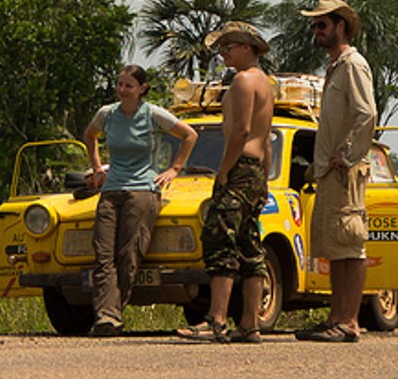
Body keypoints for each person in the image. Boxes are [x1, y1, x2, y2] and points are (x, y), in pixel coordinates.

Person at [176, 22, 274, 344]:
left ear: (248, 47)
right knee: (249, 246)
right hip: (256, 171)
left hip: (239, 168)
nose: (224, 53)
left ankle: (216, 319)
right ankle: (250, 323)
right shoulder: (265, 83)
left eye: (229, 47)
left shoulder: (245, 81)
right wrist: (265, 181)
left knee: (221, 239)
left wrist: (224, 171)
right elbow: (267, 140)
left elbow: (242, 131)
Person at [82, 65, 198, 338]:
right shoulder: (107, 114)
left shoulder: (153, 114)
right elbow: (90, 135)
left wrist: (173, 169)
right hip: (111, 189)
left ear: (141, 89)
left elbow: (190, 135)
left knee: (129, 253)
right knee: (103, 253)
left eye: (129, 86)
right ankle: (106, 316)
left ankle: (112, 313)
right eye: (120, 84)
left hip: (143, 190)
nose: (123, 90)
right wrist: (97, 168)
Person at [297, 0, 376, 343]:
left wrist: (346, 155)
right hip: (330, 172)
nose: (317, 31)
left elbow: (367, 114)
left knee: (350, 241)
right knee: (336, 247)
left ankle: (349, 320)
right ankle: (337, 317)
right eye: (315, 25)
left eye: (322, 25)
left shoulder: (354, 65)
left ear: (340, 26)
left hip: (346, 171)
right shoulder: (335, 67)